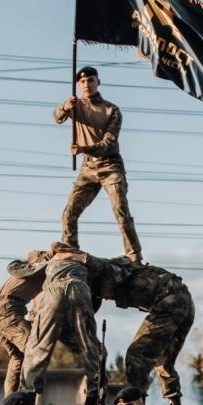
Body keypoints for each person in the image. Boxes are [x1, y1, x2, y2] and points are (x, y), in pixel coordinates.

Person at [54, 66, 142, 263]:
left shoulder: (112, 110)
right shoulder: (75, 106)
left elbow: (108, 144)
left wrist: (84, 148)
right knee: (69, 214)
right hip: (88, 168)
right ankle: (71, 253)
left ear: (98, 82)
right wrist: (64, 109)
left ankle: (134, 255)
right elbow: (56, 117)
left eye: (91, 80)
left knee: (120, 209)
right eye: (83, 82)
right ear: (78, 84)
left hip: (110, 166)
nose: (87, 85)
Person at [100, 257, 195, 405]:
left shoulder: (108, 270)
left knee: (136, 354)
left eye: (104, 294)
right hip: (184, 302)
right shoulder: (118, 275)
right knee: (163, 362)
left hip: (170, 302)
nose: (106, 299)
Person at [19, 244, 101, 403]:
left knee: (39, 345)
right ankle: (94, 391)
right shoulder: (84, 261)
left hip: (54, 292)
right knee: (88, 343)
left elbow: (15, 269)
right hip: (80, 289)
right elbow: (101, 269)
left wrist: (47, 259)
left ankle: (26, 394)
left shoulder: (50, 262)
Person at [0, 249, 50, 396]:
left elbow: (39, 302)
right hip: (7, 312)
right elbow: (14, 267)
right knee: (33, 346)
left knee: (18, 357)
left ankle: (10, 401)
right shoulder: (30, 270)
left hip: (3, 313)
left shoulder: (38, 277)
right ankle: (32, 388)